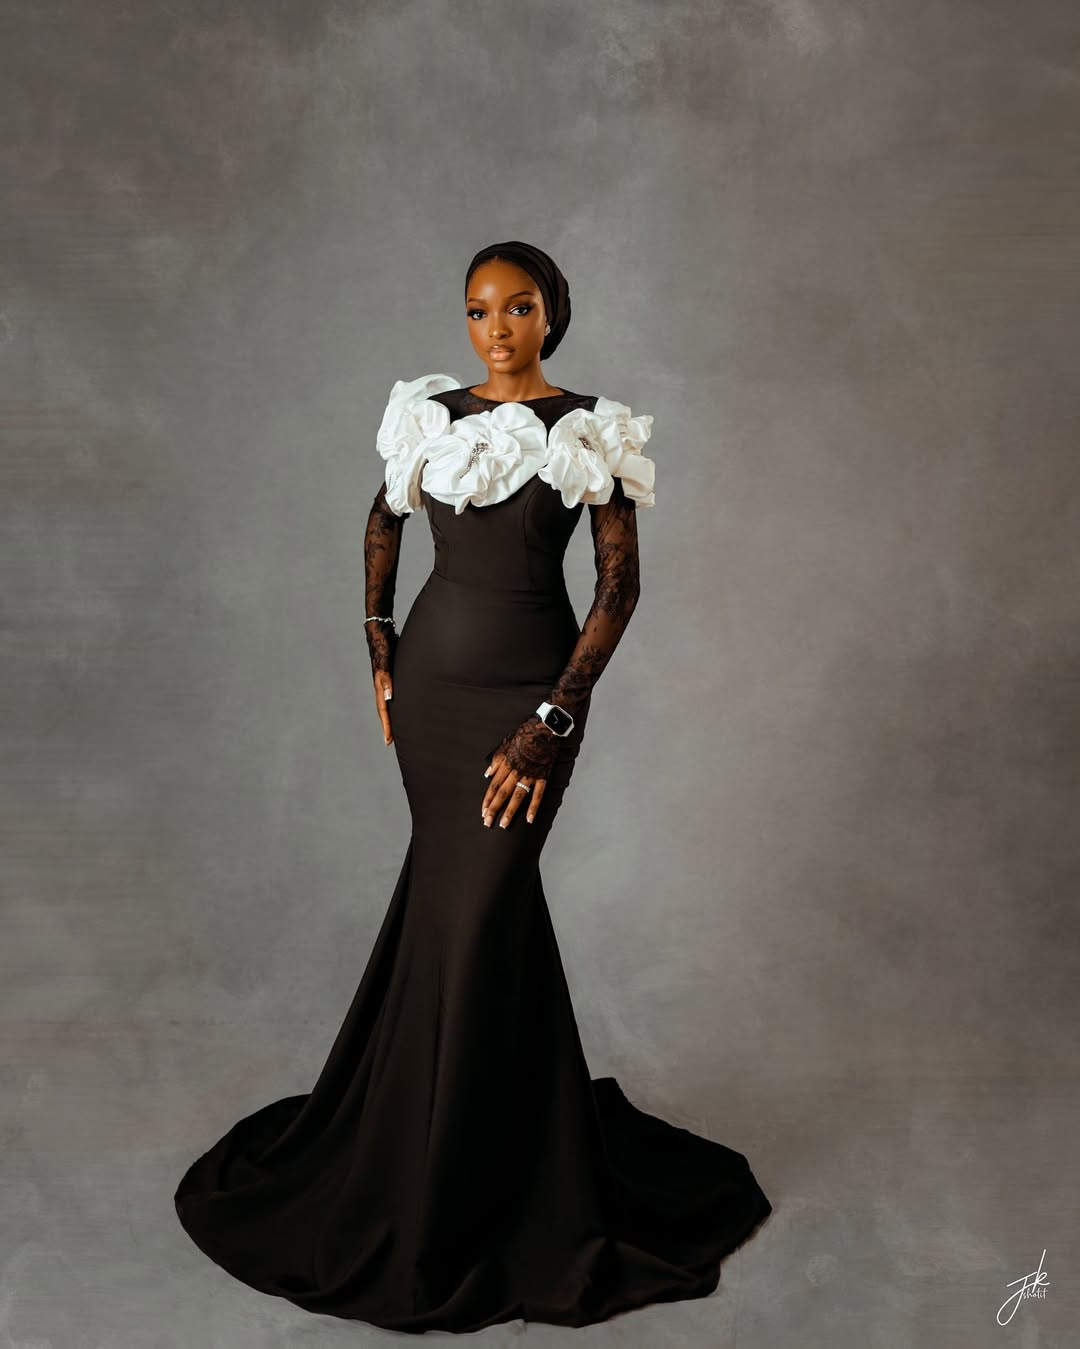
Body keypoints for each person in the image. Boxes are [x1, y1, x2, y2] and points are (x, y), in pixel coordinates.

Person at [173, 240, 773, 1333]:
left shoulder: (590, 427)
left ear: (553, 314)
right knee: (473, 919)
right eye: (479, 310)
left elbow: (620, 588)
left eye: (519, 307)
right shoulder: (430, 415)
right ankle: (498, 1146)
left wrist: (554, 718)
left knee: (476, 910)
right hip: (433, 695)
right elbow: (383, 518)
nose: (497, 328)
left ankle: (464, 1171)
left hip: (529, 698)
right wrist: (378, 642)